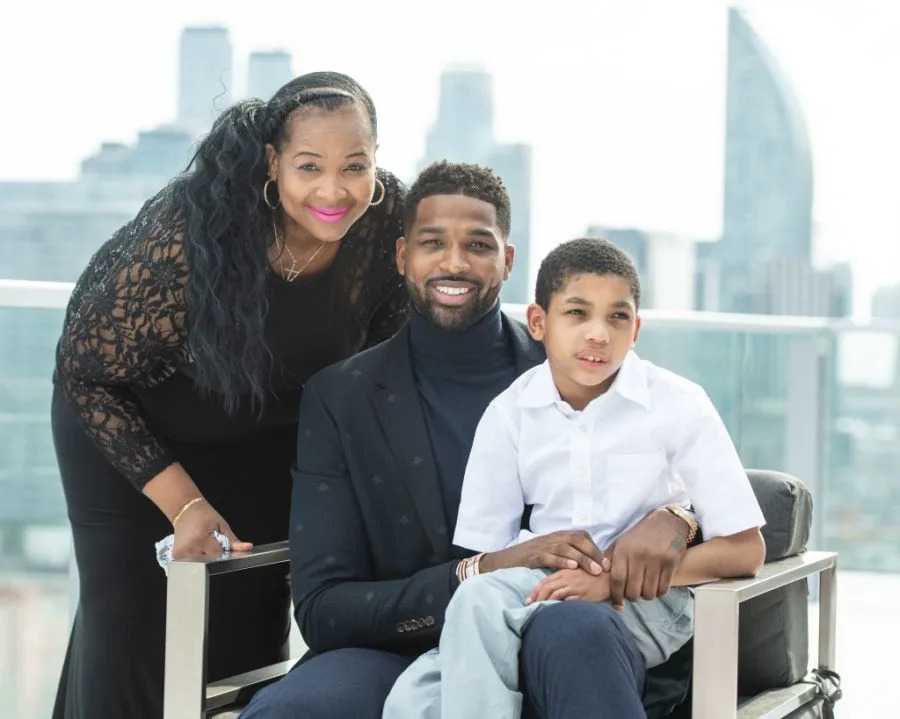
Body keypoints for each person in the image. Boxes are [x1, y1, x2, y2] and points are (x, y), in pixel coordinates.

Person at [241, 163, 701, 719]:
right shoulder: (342, 398)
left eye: (478, 245)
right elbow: (323, 609)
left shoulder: (582, 367)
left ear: (507, 261)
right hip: (396, 646)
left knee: (577, 632)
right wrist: (481, 570)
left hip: (550, 630)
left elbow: (693, 470)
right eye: (432, 243)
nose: (454, 263)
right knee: (291, 713)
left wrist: (678, 516)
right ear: (402, 255)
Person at [51, 71, 408, 719]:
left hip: (263, 433)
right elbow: (87, 374)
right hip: (132, 430)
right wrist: (183, 503)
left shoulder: (387, 228)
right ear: (273, 163)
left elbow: (379, 375)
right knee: (130, 633)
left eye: (354, 165)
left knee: (242, 640)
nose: (334, 190)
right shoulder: (193, 231)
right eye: (309, 167)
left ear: (376, 158)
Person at [382, 236, 767, 719]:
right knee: (413, 695)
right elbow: (487, 557)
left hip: (646, 601)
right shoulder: (509, 413)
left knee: (472, 645)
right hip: (539, 586)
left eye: (617, 317)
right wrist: (547, 574)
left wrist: (608, 582)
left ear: (637, 329)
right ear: (539, 322)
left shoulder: (678, 404)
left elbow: (747, 550)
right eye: (578, 313)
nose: (599, 334)